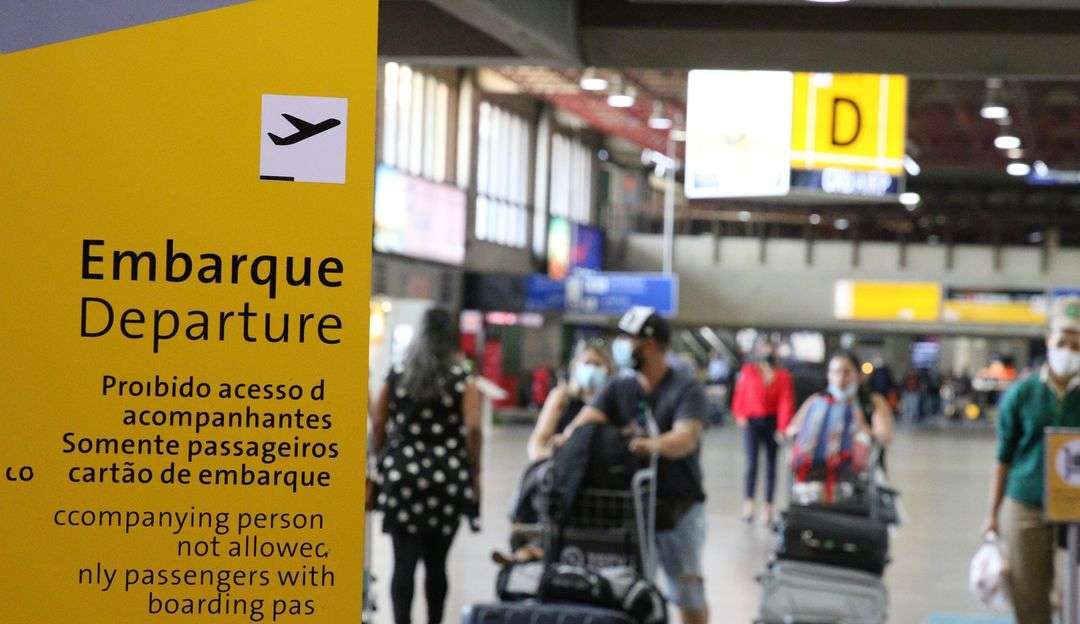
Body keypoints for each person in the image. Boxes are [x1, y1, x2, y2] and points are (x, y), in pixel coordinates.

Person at [563, 306, 710, 624]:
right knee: (629, 590)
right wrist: (564, 441)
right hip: (633, 509)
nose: (621, 346)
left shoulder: (685, 389)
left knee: (688, 592)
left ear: (651, 345)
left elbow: (686, 438)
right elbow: (583, 425)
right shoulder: (619, 387)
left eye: (628, 340)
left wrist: (650, 445)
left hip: (678, 510)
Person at [370, 308, 483, 624]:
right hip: (447, 477)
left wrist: (381, 458)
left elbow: (379, 421)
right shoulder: (462, 378)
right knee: (437, 564)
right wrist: (475, 470)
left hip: (402, 474)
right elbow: (473, 427)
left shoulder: (398, 372)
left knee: (402, 563)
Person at [983, 296, 1080, 624]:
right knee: (1028, 591)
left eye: (1076, 343)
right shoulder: (1022, 393)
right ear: (1049, 341)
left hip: (1077, 506)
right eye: (1062, 341)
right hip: (1025, 503)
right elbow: (1003, 457)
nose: (1068, 349)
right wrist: (992, 515)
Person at [784, 351, 875, 490]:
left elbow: (879, 436)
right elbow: (792, 429)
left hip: (850, 474)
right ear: (828, 374)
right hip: (812, 471)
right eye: (836, 372)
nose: (841, 378)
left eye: (847, 372)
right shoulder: (816, 401)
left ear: (857, 374)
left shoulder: (868, 402)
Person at [731, 341, 795, 524]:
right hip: (752, 421)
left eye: (771, 350)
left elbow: (785, 402)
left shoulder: (783, 376)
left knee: (771, 465)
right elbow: (740, 394)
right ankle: (748, 504)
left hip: (772, 422)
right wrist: (739, 413)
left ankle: (768, 506)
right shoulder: (748, 371)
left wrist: (783, 428)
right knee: (751, 463)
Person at [527, 341, 614, 461]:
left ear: (607, 369)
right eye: (587, 363)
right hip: (564, 467)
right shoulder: (562, 396)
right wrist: (554, 457)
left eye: (597, 364)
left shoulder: (611, 402)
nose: (592, 369)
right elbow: (537, 443)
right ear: (576, 366)